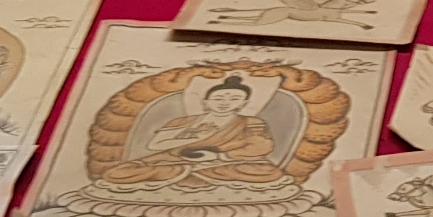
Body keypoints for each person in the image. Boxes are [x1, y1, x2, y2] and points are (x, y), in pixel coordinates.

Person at [98, 75, 290, 187]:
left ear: (243, 103)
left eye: (233, 99)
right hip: (175, 160)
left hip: (226, 162)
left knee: (268, 172)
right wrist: (193, 136)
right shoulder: (184, 121)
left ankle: (184, 175)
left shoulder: (250, 122)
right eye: (219, 98)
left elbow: (261, 146)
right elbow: (155, 145)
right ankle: (182, 173)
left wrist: (218, 155)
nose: (225, 103)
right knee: (119, 173)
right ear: (206, 102)